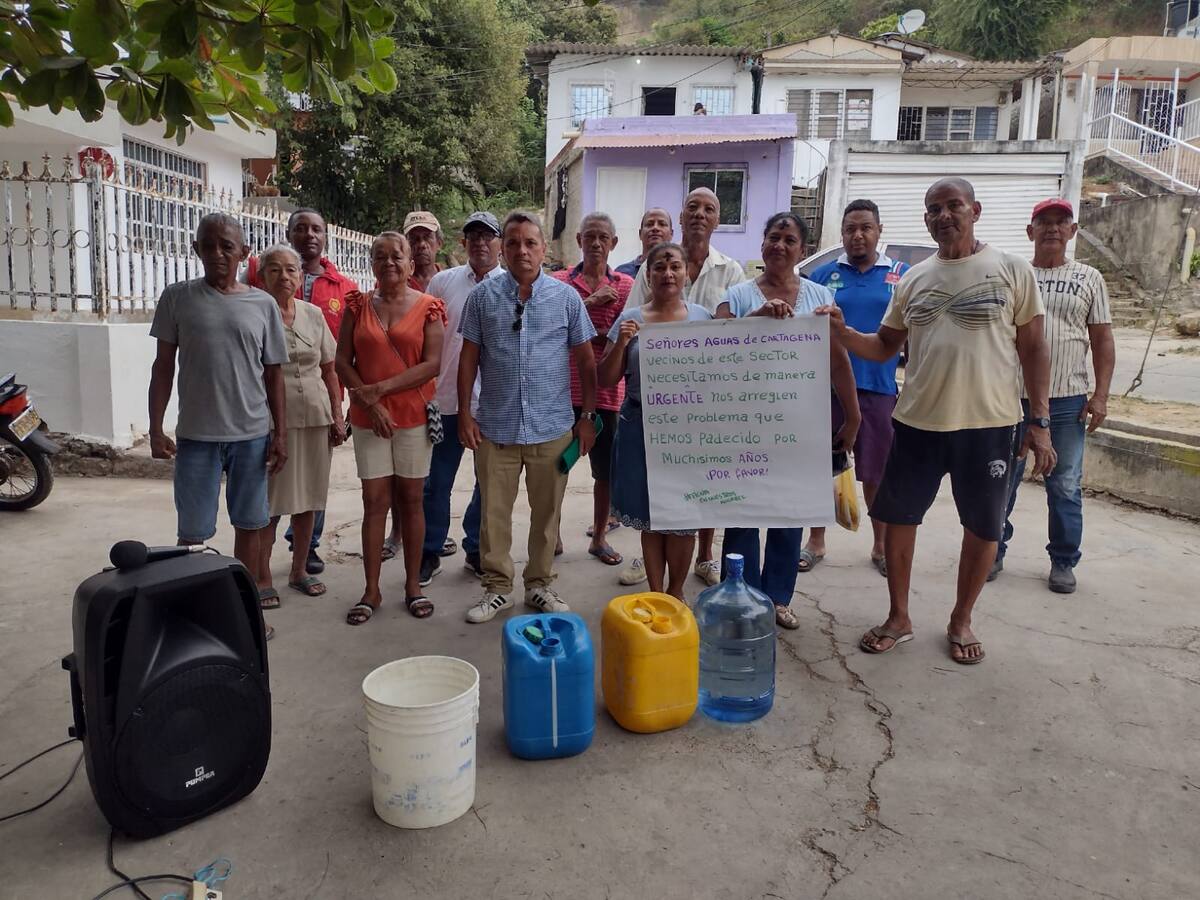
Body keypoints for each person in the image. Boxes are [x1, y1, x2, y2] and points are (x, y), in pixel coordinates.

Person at [820, 177, 1056, 665]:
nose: (944, 215)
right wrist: (843, 333)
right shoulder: (913, 279)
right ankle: (899, 616)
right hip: (918, 422)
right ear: (925, 219)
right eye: (934, 209)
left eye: (953, 206)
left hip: (989, 424)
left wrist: (1040, 420)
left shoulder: (1012, 269)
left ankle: (961, 619)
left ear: (976, 210)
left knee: (984, 526)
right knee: (900, 517)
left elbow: (1033, 348)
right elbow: (885, 347)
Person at [715, 213, 861, 629]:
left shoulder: (819, 299)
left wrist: (853, 416)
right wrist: (754, 320)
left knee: (789, 513)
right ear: (762, 244)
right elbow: (714, 351)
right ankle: (739, 596)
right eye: (773, 236)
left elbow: (838, 360)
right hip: (743, 425)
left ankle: (778, 597)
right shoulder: (738, 295)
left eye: (789, 239)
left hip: (802, 426)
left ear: (802, 248)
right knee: (742, 513)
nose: (780, 245)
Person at [149, 213, 288, 640]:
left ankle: (243, 613)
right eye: (208, 245)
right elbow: (163, 367)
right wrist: (156, 427)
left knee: (249, 526)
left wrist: (280, 433)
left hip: (251, 436)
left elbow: (274, 376)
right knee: (192, 534)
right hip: (196, 438)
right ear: (196, 250)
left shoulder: (263, 305)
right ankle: (198, 614)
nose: (217, 254)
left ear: (244, 253)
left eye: (227, 246)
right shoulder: (177, 298)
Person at [457, 211, 598, 624]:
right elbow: (468, 360)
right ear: (503, 247)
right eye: (513, 242)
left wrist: (586, 416)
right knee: (493, 517)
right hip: (495, 429)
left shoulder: (566, 299)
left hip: (552, 428)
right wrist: (465, 413)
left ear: (544, 249)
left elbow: (587, 363)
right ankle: (497, 588)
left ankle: (539, 585)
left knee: (547, 515)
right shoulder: (482, 298)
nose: (522, 250)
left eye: (530, 243)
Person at [993, 198, 1114, 594]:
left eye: (1061, 222)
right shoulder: (1014, 274)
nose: (1052, 229)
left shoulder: (1089, 278)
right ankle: (992, 551)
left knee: (1064, 485)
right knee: (1000, 480)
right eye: (1043, 222)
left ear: (1073, 231)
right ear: (1030, 231)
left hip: (1067, 401)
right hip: (1011, 398)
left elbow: (1102, 340)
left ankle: (1063, 560)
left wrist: (1101, 397)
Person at [628, 186, 747, 587]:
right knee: (653, 500)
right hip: (651, 404)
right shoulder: (658, 264)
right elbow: (631, 324)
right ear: (680, 217)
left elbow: (738, 333)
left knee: (697, 495)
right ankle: (652, 571)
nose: (699, 214)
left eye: (709, 208)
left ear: (717, 219)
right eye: (692, 207)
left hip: (702, 408)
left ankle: (705, 556)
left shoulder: (730, 270)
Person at [335, 232, 446, 624]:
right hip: (369, 420)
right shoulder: (357, 305)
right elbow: (342, 361)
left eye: (396, 256)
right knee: (374, 502)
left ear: (410, 263)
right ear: (371, 265)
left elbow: (432, 364)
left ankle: (413, 586)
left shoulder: (430, 307)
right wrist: (370, 402)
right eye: (380, 256)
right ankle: (371, 590)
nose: (389, 263)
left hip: (413, 417)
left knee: (412, 501)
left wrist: (379, 390)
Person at [245, 207, 357, 577]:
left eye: (291, 269)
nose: (284, 276)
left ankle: (298, 571)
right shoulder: (254, 314)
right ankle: (261, 576)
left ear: (300, 276)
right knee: (272, 504)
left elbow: (329, 368)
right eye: (274, 269)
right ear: (262, 275)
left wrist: (338, 417)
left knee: (309, 499)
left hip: (315, 418)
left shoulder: (312, 313)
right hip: (270, 422)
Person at [601, 242, 712, 601]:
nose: (667, 273)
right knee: (651, 517)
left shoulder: (702, 319)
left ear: (686, 273)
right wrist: (623, 342)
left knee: (682, 519)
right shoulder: (630, 317)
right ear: (647, 275)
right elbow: (605, 377)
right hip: (639, 428)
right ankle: (656, 593)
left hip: (689, 434)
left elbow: (720, 375)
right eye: (659, 267)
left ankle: (676, 593)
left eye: (675, 266)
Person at [808, 199, 910, 577]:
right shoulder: (822, 276)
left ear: (879, 231)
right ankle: (815, 541)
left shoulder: (900, 275)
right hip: (827, 390)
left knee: (876, 473)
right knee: (823, 468)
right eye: (850, 228)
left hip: (880, 390)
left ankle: (881, 545)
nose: (858, 235)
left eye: (866, 227)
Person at [418, 211, 504, 586]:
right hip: (446, 400)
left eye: (488, 236)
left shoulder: (513, 285)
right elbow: (422, 338)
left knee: (488, 484)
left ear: (499, 243)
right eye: (473, 236)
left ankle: (474, 548)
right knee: (436, 482)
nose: (480, 243)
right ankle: (430, 550)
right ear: (462, 242)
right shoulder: (442, 282)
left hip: (493, 404)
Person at [551, 212, 634, 567]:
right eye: (590, 237)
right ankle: (551, 535)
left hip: (608, 395)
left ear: (614, 243)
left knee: (605, 474)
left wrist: (591, 333)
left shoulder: (629, 286)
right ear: (579, 240)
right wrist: (589, 305)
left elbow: (629, 333)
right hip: (562, 392)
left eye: (604, 237)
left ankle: (599, 537)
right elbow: (550, 327)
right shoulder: (558, 283)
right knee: (557, 468)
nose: (596, 244)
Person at [381, 210, 446, 560]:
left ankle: (429, 534)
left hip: (439, 394)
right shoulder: (394, 285)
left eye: (427, 238)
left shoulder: (448, 282)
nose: (422, 245)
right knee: (396, 473)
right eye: (415, 239)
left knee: (431, 476)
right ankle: (397, 532)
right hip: (395, 397)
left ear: (439, 243)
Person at [615, 208, 673, 280]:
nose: (655, 228)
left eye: (662, 224)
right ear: (640, 234)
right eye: (649, 224)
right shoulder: (622, 273)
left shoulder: (678, 272)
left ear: (671, 234)